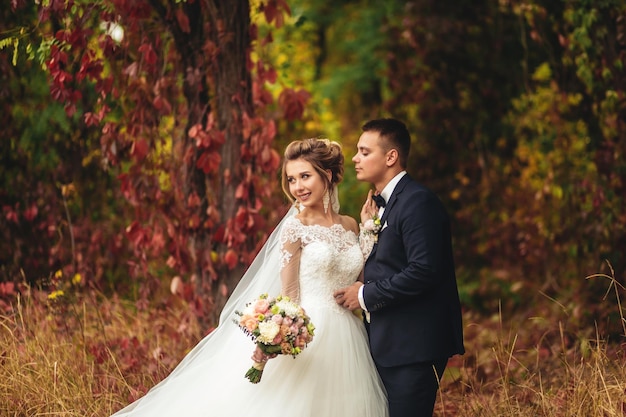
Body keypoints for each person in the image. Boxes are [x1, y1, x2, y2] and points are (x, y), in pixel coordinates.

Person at [110, 138, 388, 417]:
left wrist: (368, 230)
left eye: (305, 176)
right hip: (309, 333)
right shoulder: (295, 227)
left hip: (348, 337)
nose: (298, 187)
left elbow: (358, 275)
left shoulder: (350, 224)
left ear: (326, 175)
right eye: (291, 179)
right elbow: (290, 291)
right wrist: (279, 335)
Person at [334, 118, 465, 417]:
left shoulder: (418, 202)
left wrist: (365, 296)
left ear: (391, 157)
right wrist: (368, 230)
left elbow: (424, 270)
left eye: (365, 152)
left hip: (414, 346)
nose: (355, 158)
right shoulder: (383, 205)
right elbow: (390, 263)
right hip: (388, 342)